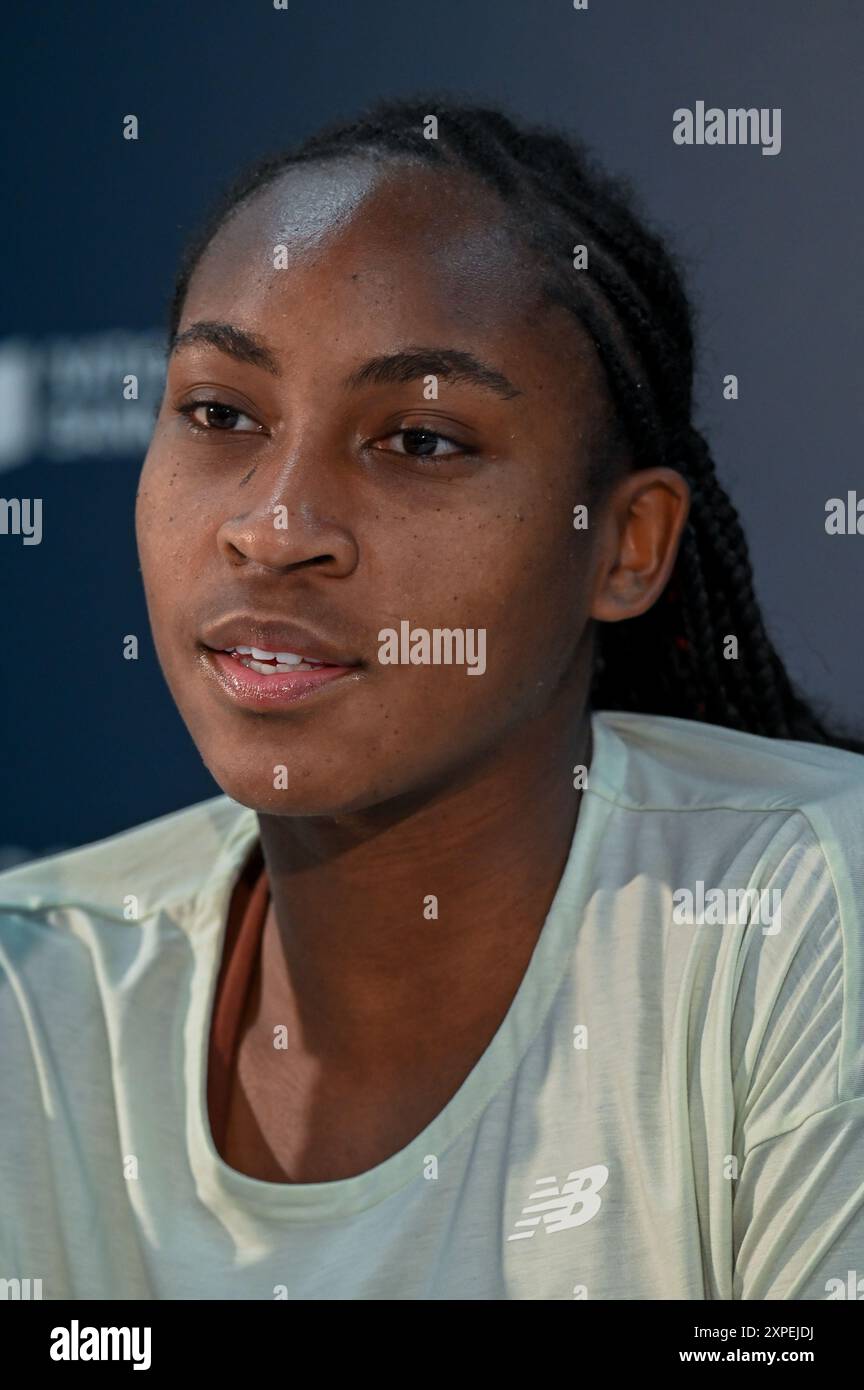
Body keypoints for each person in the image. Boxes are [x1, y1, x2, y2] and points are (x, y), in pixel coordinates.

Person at [1, 95, 862, 1302]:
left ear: (625, 545)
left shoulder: (808, 911)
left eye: (417, 439)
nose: (274, 526)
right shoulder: (30, 990)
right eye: (219, 412)